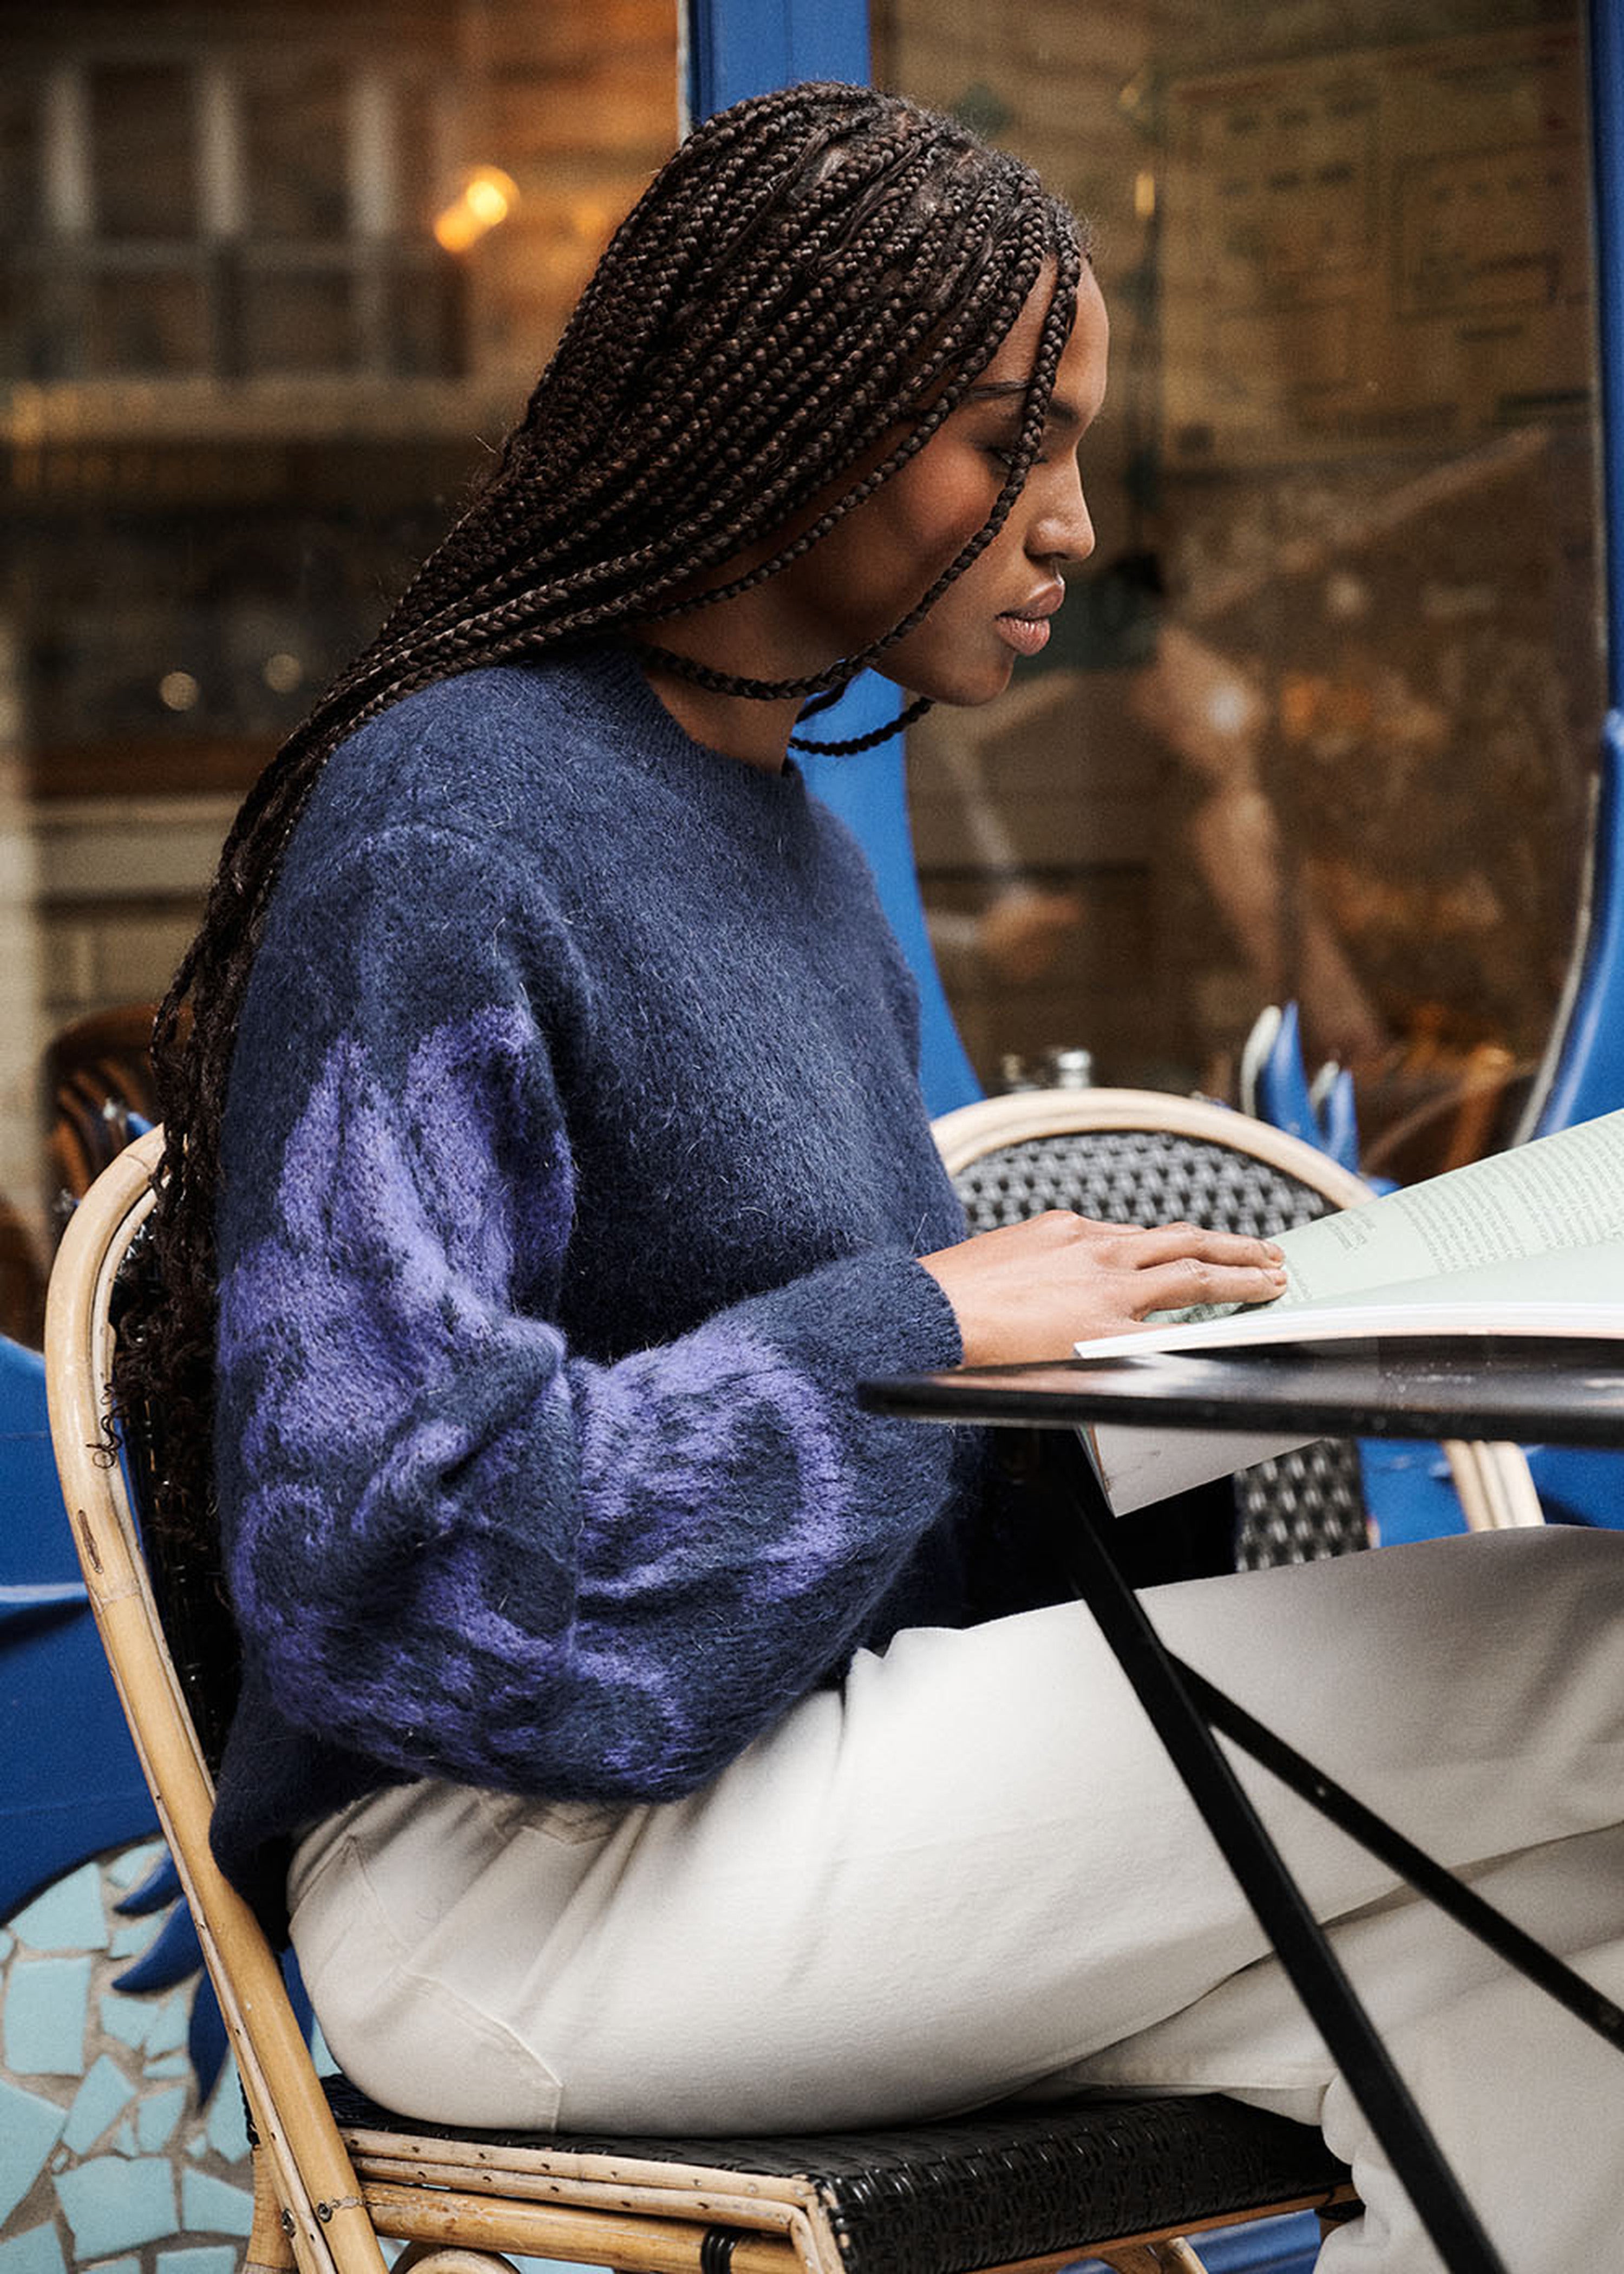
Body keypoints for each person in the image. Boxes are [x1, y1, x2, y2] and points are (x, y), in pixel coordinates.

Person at [118, 83, 1624, 2272]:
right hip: (511, 1878)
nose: (1073, 526)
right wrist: (918, 1327)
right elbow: (381, 1562)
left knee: (1553, 1946)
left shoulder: (812, 874)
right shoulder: (452, 814)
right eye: (1015, 440)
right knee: (1588, 1646)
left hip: (786, 1804)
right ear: (795, 418)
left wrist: (1161, 1391)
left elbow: (882, 1512)